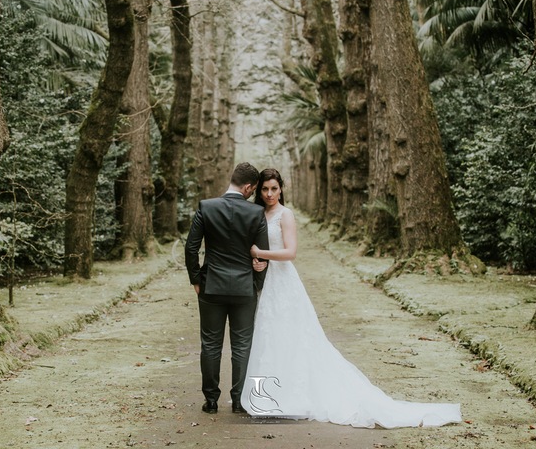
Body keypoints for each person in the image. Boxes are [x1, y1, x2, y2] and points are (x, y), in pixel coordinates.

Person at [242, 168, 462, 428]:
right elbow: (259, 250)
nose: (269, 194)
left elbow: (290, 252)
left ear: (281, 189)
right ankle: (269, 397)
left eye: (274, 189)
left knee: (293, 336)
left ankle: (294, 396)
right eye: (265, 189)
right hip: (268, 283)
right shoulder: (258, 213)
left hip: (285, 283)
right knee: (270, 335)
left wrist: (261, 253)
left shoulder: (285, 214)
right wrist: (259, 261)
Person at [185, 162, 270, 415]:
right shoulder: (256, 213)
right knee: (242, 345)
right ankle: (239, 401)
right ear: (248, 187)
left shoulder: (206, 207)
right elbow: (261, 257)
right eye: (253, 189)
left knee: (210, 344)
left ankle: (211, 401)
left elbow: (191, 248)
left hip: (211, 286)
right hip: (244, 288)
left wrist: (197, 280)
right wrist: (256, 286)